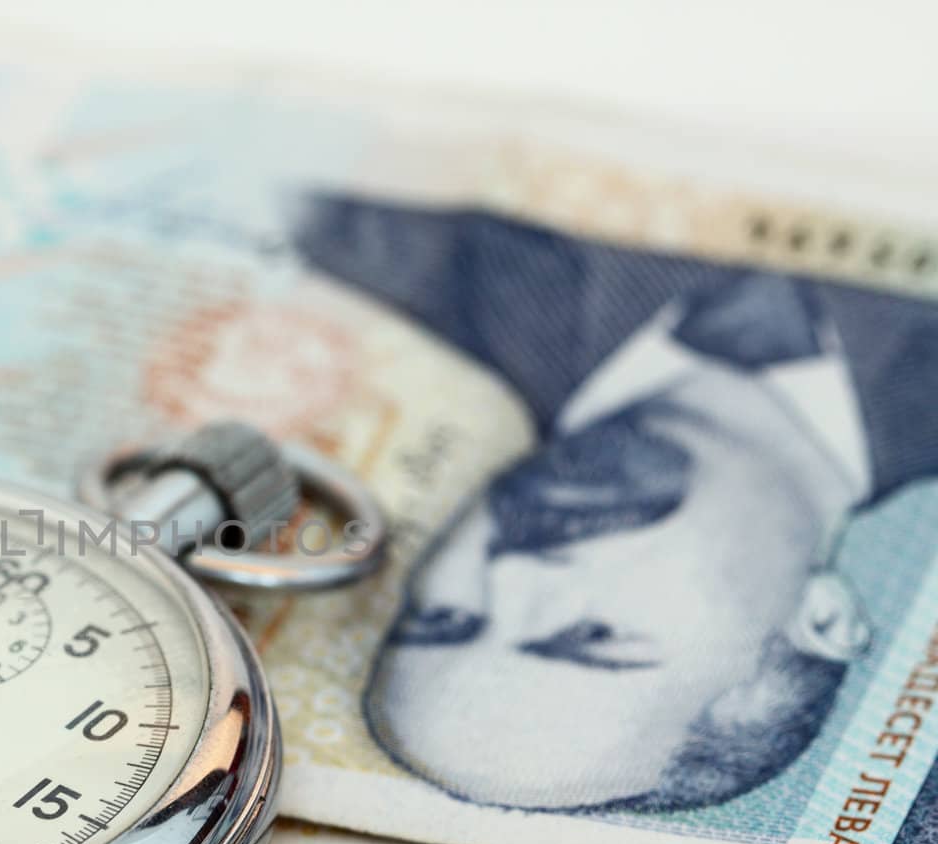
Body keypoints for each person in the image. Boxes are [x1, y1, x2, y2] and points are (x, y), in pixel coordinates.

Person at [295, 197, 938, 812]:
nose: (510, 572)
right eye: (589, 637)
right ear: (822, 617)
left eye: (442, 618)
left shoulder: (380, 244)